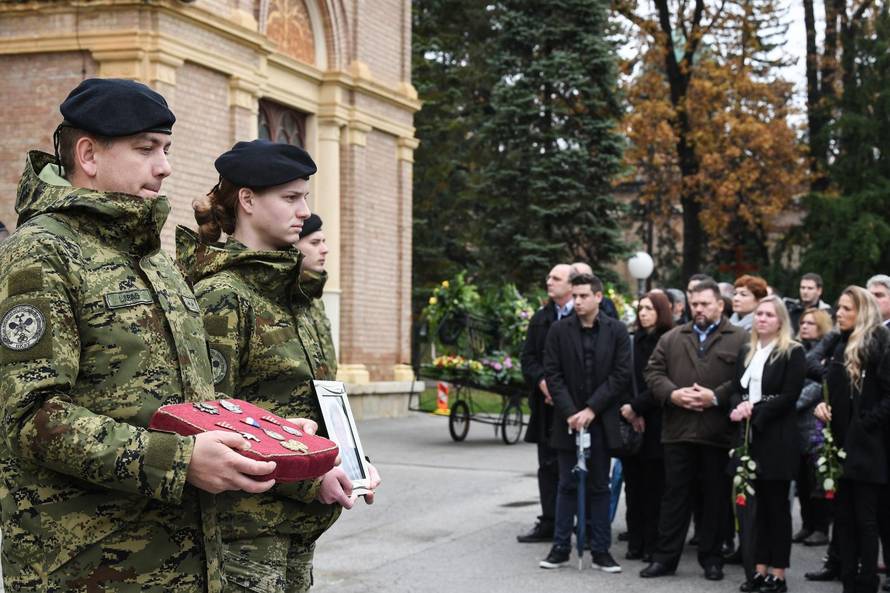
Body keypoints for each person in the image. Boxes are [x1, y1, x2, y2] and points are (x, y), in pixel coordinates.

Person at [0, 78, 277, 593]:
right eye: (146, 148)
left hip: (179, 562)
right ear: (88, 154)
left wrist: (272, 437)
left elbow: (190, 400)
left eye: (166, 149)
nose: (165, 165)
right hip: (85, 567)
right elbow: (29, 417)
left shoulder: (152, 259)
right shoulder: (40, 253)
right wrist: (179, 462)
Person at [180, 139, 380, 593]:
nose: (303, 211)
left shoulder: (296, 297)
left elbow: (317, 397)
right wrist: (311, 475)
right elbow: (213, 419)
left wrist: (351, 459)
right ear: (247, 200)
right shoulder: (223, 296)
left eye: (305, 196)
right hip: (246, 532)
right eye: (290, 197)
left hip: (295, 524)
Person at [640, 279, 748, 581]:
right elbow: (653, 371)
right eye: (694, 304)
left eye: (704, 304)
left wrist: (715, 396)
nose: (698, 309)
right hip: (678, 431)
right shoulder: (674, 337)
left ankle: (712, 559)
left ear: (720, 305)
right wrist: (673, 394)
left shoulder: (740, 338)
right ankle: (665, 559)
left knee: (714, 499)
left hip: (717, 432)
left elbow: (745, 377)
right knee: (674, 497)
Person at [539, 273, 630, 572]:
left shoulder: (616, 331)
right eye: (574, 296)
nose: (577, 302)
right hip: (568, 420)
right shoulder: (558, 330)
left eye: (583, 296)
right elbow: (553, 374)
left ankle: (601, 551)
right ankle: (560, 548)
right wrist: (571, 412)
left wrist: (592, 409)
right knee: (566, 484)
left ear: (598, 297)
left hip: (601, 421)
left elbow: (620, 375)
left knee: (599, 487)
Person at [814, 286, 890, 593]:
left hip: (868, 447)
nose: (839, 313)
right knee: (843, 520)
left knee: (866, 521)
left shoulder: (878, 345)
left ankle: (866, 583)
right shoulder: (838, 345)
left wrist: (864, 424)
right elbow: (831, 388)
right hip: (840, 445)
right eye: (839, 308)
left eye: (847, 308)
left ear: (863, 312)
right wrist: (822, 404)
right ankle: (848, 581)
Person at [729, 296, 806, 593]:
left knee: (777, 508)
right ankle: (758, 570)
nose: (761, 319)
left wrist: (754, 410)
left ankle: (778, 573)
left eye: (768, 315)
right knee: (755, 509)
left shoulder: (792, 352)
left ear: (780, 321)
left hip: (778, 439)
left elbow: (789, 396)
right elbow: (737, 389)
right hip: (750, 438)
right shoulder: (748, 350)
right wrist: (738, 407)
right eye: (759, 314)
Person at [518, 263, 573, 543]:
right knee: (547, 466)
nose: (548, 282)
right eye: (549, 277)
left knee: (576, 467)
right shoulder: (541, 317)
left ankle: (579, 523)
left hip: (575, 407)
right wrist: (542, 382)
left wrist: (563, 390)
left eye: (556, 278)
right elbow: (527, 358)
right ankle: (549, 521)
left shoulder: (584, 314)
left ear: (571, 285)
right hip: (546, 406)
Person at [619, 291, 674, 562]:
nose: (643, 313)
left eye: (649, 309)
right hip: (631, 421)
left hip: (658, 422)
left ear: (661, 311)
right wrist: (629, 410)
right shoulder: (632, 341)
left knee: (655, 488)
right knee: (633, 486)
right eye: (640, 308)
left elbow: (663, 382)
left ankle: (653, 543)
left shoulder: (669, 341)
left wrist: (638, 407)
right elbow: (622, 377)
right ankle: (636, 540)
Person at [793, 308, 834, 548]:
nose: (805, 326)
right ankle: (807, 525)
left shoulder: (825, 352)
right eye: (803, 322)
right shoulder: (796, 348)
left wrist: (791, 399)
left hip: (815, 425)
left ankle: (820, 528)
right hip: (795, 426)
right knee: (801, 481)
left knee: (817, 480)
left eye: (811, 323)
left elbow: (820, 386)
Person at [296, 214, 337, 376]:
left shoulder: (315, 301)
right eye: (314, 243)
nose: (325, 249)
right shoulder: (280, 296)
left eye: (323, 242)